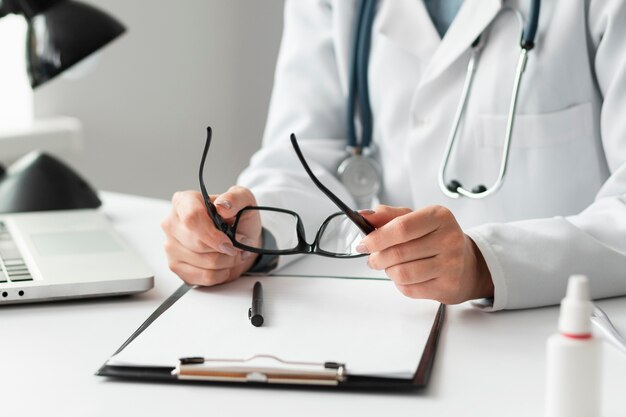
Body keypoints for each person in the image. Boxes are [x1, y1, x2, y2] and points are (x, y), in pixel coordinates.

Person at [161, 0, 626, 310]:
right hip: (382, 329)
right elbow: (301, 157)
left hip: (564, 338)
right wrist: (250, 235)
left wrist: (488, 264)